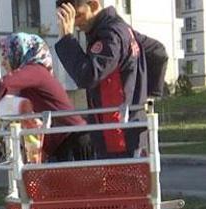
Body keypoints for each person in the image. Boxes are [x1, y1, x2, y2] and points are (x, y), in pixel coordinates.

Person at [0, 32, 92, 162]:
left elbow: (3, 84)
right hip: (63, 142)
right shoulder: (32, 76)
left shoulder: (35, 71)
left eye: (5, 56)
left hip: (73, 140)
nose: (3, 63)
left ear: (19, 52)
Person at [54, 0, 149, 158]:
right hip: (119, 128)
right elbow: (157, 51)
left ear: (94, 4)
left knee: (120, 182)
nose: (74, 24)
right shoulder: (119, 29)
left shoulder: (110, 35)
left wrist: (66, 38)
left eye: (77, 16)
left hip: (119, 134)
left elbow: (87, 75)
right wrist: (144, 94)